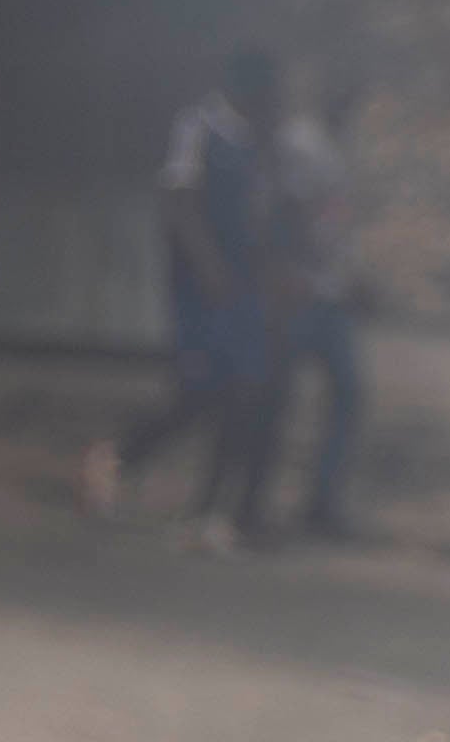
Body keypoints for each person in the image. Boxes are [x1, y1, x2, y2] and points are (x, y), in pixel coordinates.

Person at [84, 46, 282, 549]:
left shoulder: (260, 140)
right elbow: (180, 203)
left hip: (244, 285)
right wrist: (208, 266)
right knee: (199, 393)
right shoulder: (200, 127)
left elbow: (258, 214)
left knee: (247, 392)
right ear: (244, 88)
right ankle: (118, 458)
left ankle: (213, 511)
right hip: (201, 285)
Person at [271, 66, 368, 540]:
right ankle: (253, 500)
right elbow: (287, 213)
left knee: (347, 393)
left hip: (328, 295)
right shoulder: (300, 144)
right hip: (298, 294)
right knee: (273, 395)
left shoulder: (334, 148)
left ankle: (321, 502)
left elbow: (332, 224)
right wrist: (291, 273)